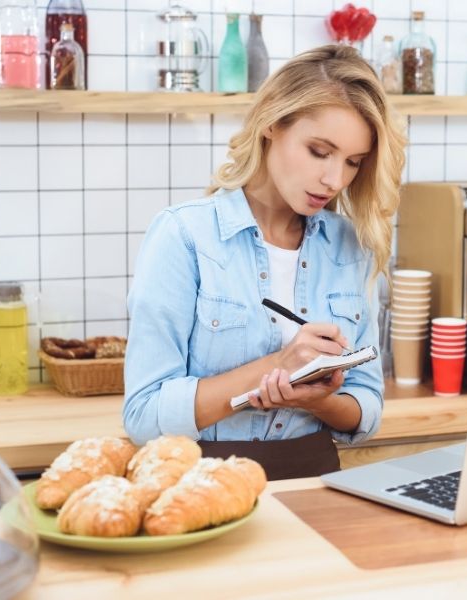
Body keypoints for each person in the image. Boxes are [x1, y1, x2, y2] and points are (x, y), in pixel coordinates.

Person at [123, 45, 406, 480]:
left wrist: (315, 399)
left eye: (352, 163)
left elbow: (365, 409)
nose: (334, 180)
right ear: (273, 122)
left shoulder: (350, 245)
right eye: (318, 151)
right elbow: (144, 416)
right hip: (200, 485)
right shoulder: (184, 237)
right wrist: (277, 367)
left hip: (315, 479)